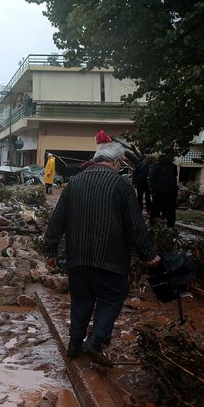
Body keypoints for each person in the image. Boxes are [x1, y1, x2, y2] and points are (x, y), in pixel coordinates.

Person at [44, 142, 160, 367]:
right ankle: (95, 340)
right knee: (113, 296)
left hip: (77, 258)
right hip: (111, 258)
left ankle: (74, 344)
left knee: (81, 300)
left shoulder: (74, 183)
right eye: (121, 164)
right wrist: (148, 255)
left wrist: (50, 250)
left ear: (97, 159)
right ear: (116, 162)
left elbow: (57, 219)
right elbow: (135, 225)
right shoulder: (121, 186)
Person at [148, 154, 178, 227]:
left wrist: (174, 191)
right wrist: (152, 191)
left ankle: (170, 225)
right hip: (158, 192)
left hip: (169, 192)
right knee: (155, 210)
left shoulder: (173, 166)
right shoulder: (156, 166)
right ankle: (153, 225)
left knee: (170, 211)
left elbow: (174, 178)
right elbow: (151, 179)